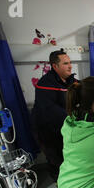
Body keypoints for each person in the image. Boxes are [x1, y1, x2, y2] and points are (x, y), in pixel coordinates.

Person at [31, 50, 76, 180]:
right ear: (55, 66)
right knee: (56, 159)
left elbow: (85, 87)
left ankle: (70, 180)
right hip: (46, 130)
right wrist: (75, 119)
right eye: (66, 63)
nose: (70, 66)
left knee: (67, 156)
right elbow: (51, 109)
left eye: (70, 63)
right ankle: (59, 183)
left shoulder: (69, 80)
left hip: (62, 126)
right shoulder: (45, 83)